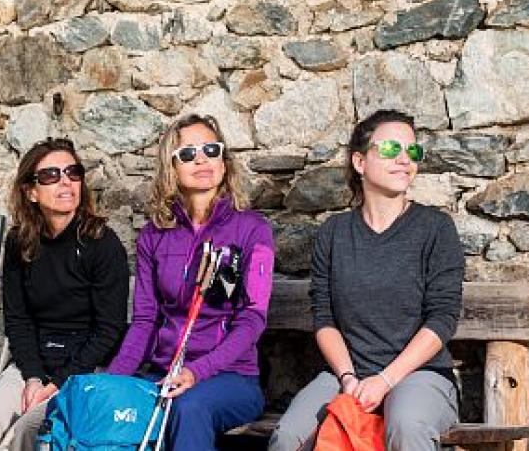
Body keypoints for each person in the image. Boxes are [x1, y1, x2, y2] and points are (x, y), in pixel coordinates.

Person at [267, 110, 464, 451]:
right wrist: (348, 378)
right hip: (347, 373)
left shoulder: (435, 228)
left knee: (407, 426)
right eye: (390, 149)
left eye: (412, 151)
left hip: (419, 375)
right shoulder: (334, 234)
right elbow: (324, 318)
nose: (405, 159)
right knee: (287, 437)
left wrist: (385, 380)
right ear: (360, 162)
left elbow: (442, 319)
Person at [106, 114, 274, 451]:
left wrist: (198, 371)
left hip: (230, 377)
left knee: (187, 407)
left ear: (224, 163)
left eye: (211, 149)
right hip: (162, 372)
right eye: (188, 153)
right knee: (112, 411)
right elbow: (144, 320)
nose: (202, 159)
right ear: (172, 167)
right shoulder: (155, 235)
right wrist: (112, 383)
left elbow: (252, 320)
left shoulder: (253, 230)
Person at [0, 138, 130, 451]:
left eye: (72, 173)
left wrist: (56, 384)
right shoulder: (20, 242)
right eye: (51, 175)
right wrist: (34, 378)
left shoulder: (102, 243)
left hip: (83, 368)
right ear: (31, 191)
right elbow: (18, 319)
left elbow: (109, 330)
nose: (65, 181)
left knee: (29, 429)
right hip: (33, 362)